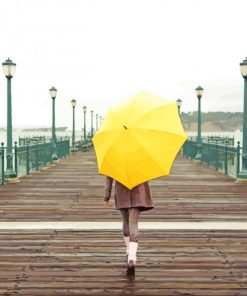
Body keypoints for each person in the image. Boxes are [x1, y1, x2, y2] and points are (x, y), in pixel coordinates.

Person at [104, 176, 154, 276]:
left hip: (122, 193)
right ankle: (132, 257)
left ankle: (128, 250)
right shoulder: (141, 159)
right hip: (138, 193)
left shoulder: (114, 161)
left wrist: (107, 196)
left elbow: (109, 179)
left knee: (126, 222)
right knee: (133, 223)